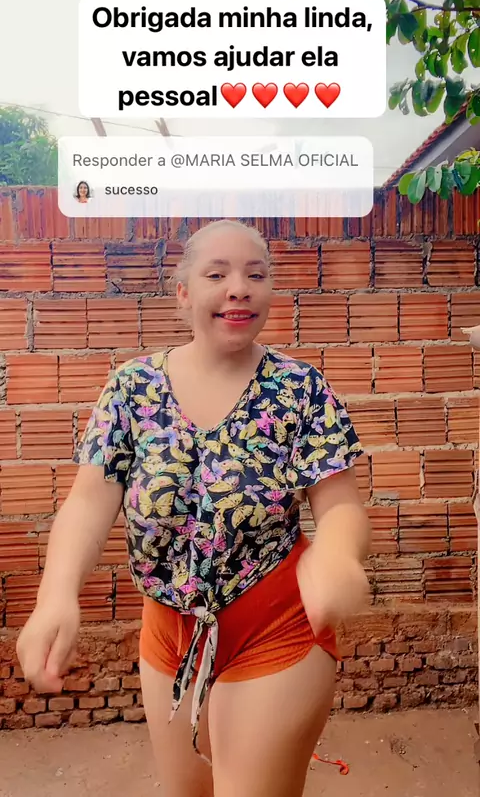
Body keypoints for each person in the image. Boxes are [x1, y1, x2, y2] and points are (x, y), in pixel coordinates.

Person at [17, 219, 371, 797]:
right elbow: (87, 501)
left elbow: (341, 508)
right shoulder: (132, 389)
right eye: (217, 274)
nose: (240, 289)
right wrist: (56, 594)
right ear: (183, 293)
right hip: (167, 633)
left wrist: (337, 554)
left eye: (256, 274)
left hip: (274, 625)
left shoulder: (300, 390)